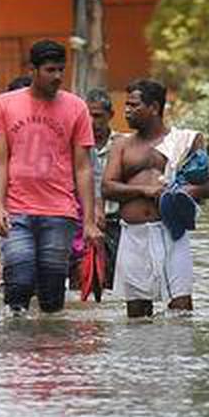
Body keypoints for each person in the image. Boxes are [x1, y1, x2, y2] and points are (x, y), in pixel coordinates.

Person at [0, 39, 100, 314]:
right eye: (50, 70)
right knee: (19, 283)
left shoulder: (76, 108)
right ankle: (14, 349)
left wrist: (89, 220)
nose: (58, 76)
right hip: (17, 210)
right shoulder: (4, 104)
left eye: (61, 69)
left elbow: (83, 167)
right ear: (33, 70)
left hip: (60, 212)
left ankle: (50, 351)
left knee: (51, 294)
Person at [102, 79, 209, 318]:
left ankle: (177, 356)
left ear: (154, 108)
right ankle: (141, 357)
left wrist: (189, 192)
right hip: (133, 235)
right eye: (126, 105)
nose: (126, 111)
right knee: (136, 313)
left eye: (133, 105)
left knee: (181, 307)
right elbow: (107, 187)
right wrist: (144, 191)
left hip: (171, 232)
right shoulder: (121, 146)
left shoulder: (185, 141)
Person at [85, 87, 122, 289]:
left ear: (110, 116)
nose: (92, 121)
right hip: (82, 225)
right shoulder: (76, 147)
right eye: (87, 115)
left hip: (115, 225)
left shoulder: (122, 145)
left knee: (113, 285)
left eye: (98, 116)